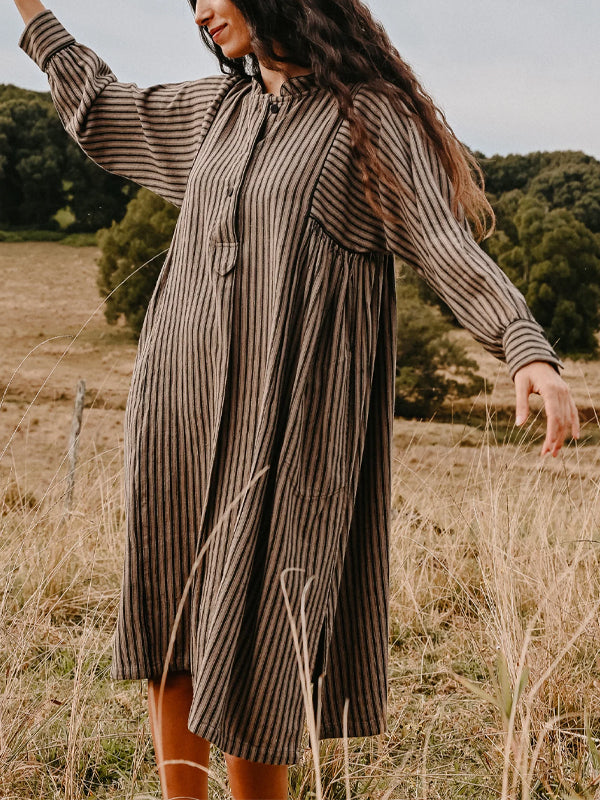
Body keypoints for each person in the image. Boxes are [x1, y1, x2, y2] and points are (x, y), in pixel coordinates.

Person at [12, 0, 580, 798]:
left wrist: (523, 347)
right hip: (179, 401)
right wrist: (34, 12)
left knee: (256, 645)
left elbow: (440, 239)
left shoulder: (367, 118)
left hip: (286, 424)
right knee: (173, 623)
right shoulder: (221, 107)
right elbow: (104, 112)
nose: (204, 9)